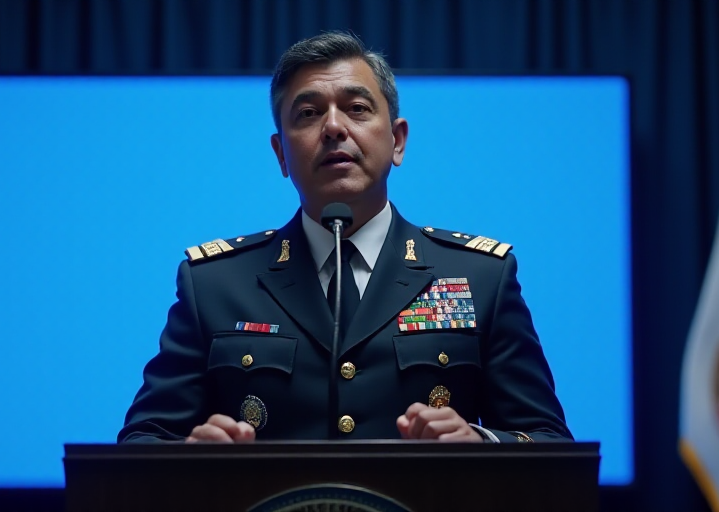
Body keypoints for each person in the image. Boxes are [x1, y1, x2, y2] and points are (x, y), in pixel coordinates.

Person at [117, 31, 571, 444]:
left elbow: (549, 442)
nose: (334, 127)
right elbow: (141, 441)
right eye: (309, 113)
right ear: (281, 154)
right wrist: (190, 460)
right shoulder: (215, 284)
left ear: (397, 140)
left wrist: (482, 445)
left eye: (357, 109)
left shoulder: (481, 276)